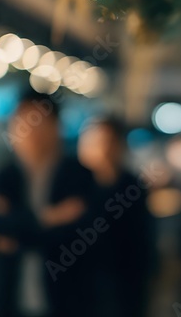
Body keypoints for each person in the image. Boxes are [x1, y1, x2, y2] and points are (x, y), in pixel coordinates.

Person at [0, 90, 98, 317]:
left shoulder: (79, 176)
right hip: (11, 299)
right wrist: (47, 219)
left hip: (67, 299)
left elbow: (72, 235)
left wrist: (17, 233)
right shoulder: (5, 176)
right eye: (22, 122)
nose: (29, 132)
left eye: (37, 122)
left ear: (56, 126)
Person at [77, 116, 156, 317]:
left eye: (107, 141)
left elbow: (142, 239)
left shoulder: (132, 186)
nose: (101, 149)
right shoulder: (77, 184)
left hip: (124, 280)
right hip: (83, 282)